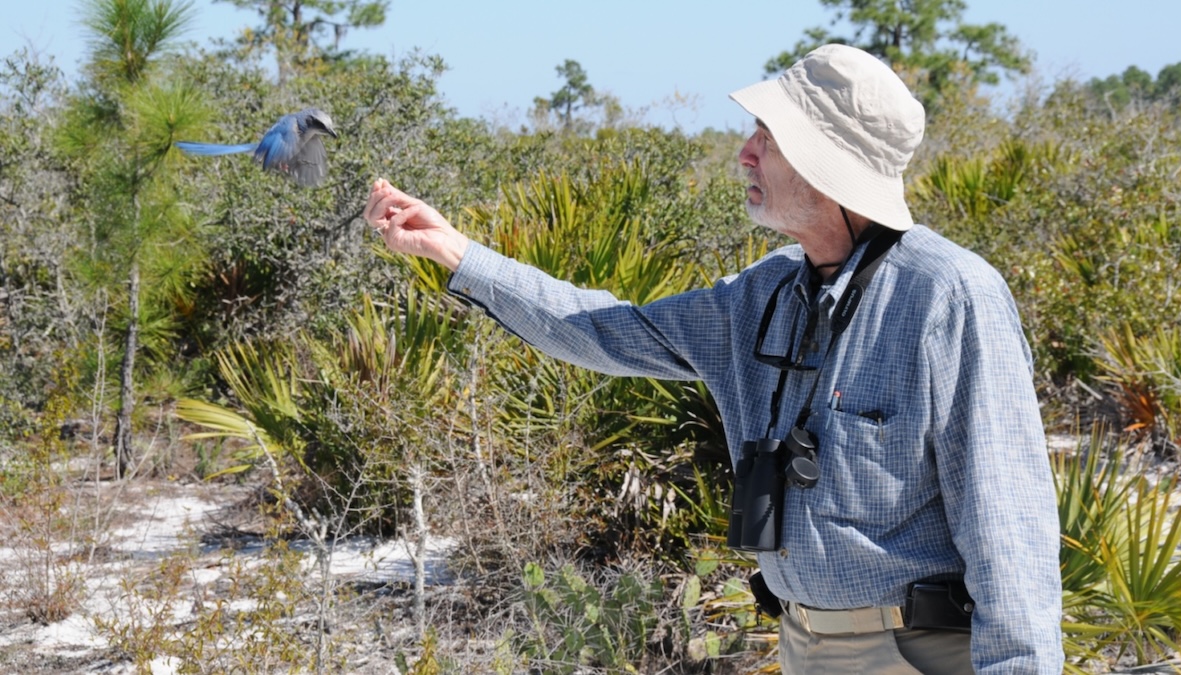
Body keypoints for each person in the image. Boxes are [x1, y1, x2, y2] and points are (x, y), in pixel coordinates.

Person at [363, 44, 1063, 674]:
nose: (745, 154)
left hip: (917, 653)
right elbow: (600, 329)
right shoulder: (759, 294)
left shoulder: (950, 297)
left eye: (768, 138)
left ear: (827, 166)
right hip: (802, 645)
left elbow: (1008, 529)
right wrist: (456, 253)